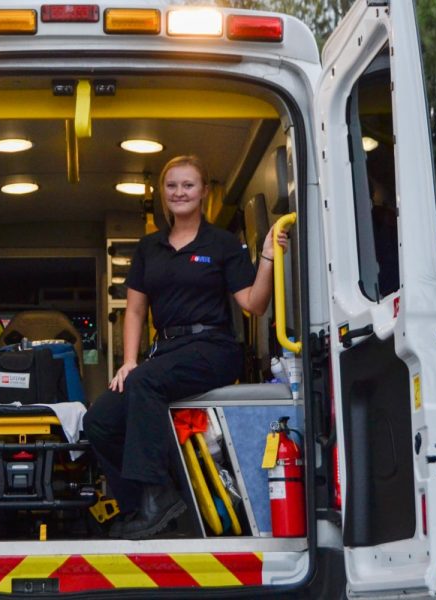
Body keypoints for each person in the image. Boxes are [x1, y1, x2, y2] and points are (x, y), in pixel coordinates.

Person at [83, 155, 288, 539]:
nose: (180, 192)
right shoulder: (149, 247)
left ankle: (158, 497)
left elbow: (253, 304)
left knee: (146, 382)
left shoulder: (222, 243)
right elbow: (136, 310)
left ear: (204, 192)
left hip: (212, 346)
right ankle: (140, 507)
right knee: (99, 421)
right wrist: (128, 361)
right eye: (172, 185)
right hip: (166, 351)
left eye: (188, 185)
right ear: (163, 193)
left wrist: (266, 258)